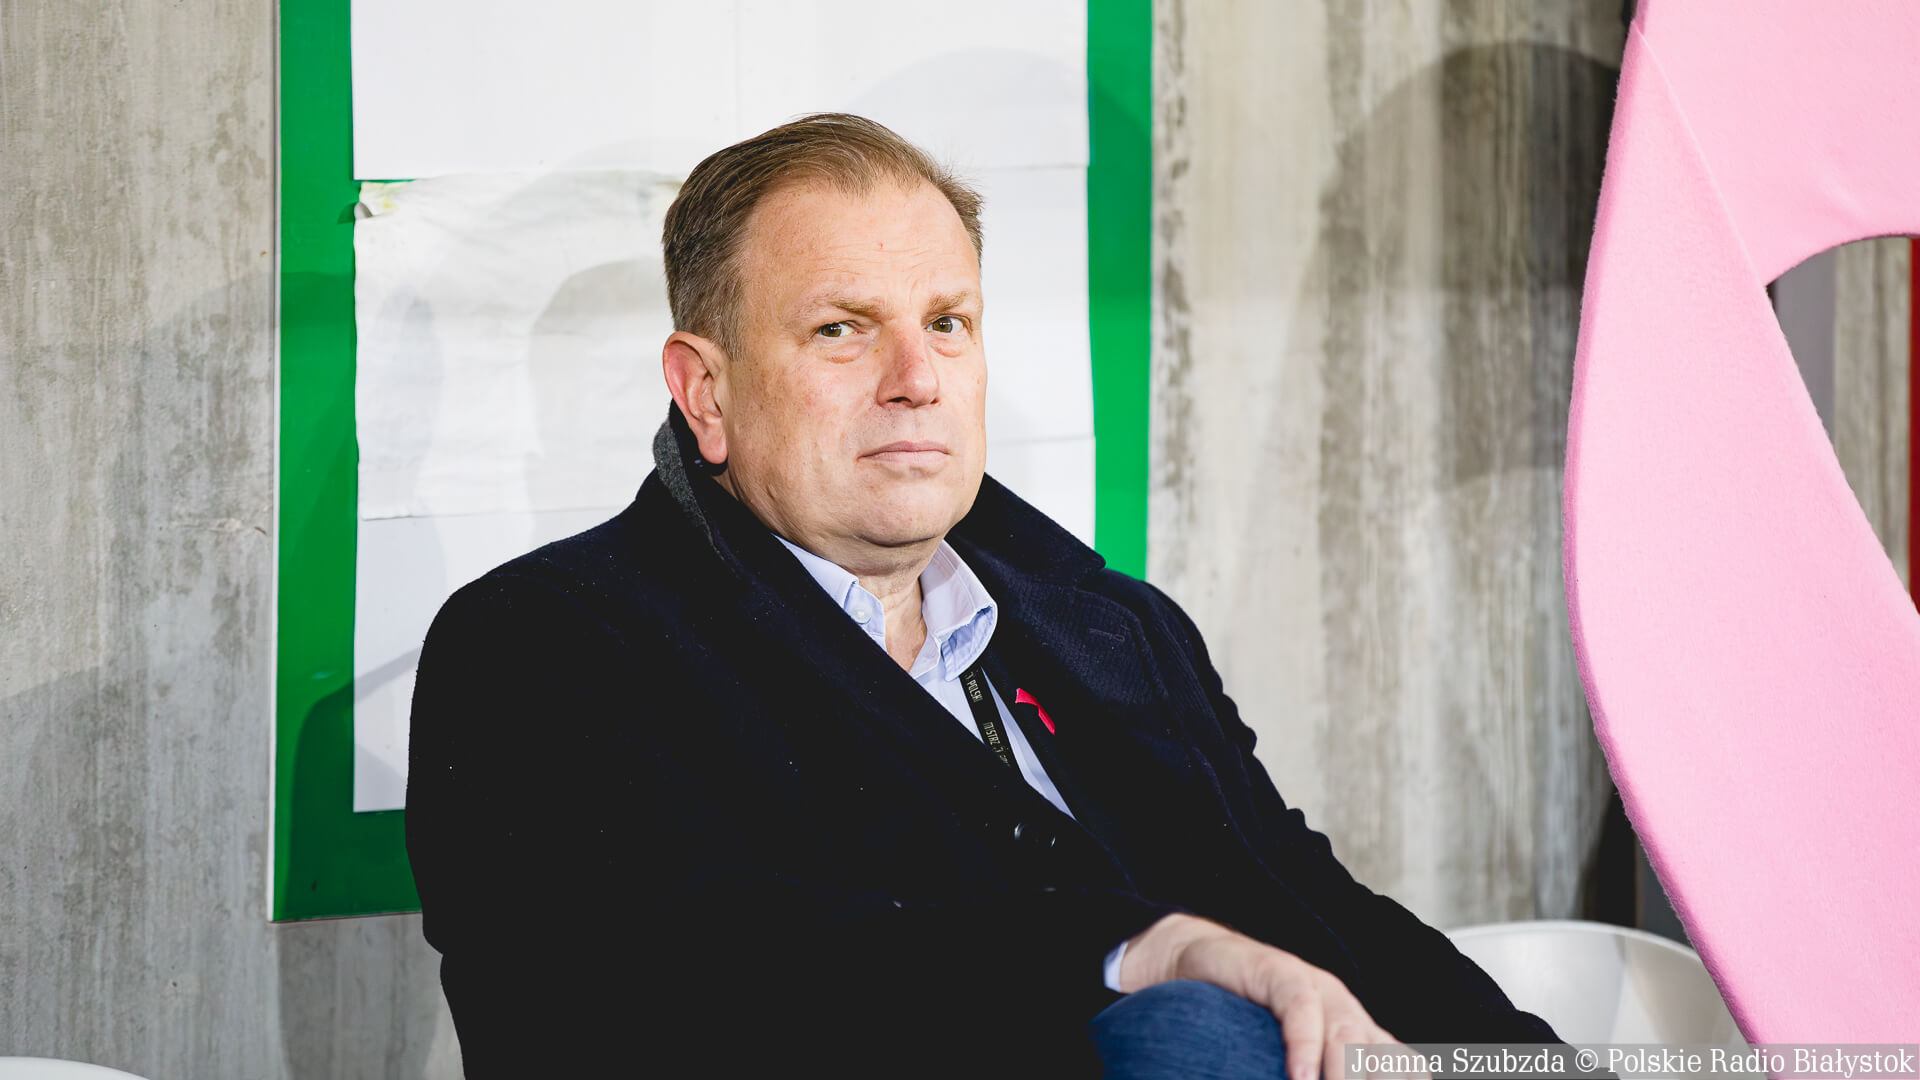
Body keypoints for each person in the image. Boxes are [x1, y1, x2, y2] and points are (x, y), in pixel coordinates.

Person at [405, 113, 1560, 1078]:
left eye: (947, 324)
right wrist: (1137, 949)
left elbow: (1311, 907)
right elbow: (706, 968)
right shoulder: (548, 642)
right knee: (1193, 1033)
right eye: (842, 330)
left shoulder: (1113, 629)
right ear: (706, 392)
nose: (917, 379)